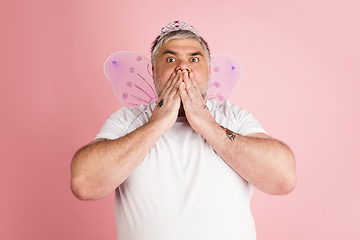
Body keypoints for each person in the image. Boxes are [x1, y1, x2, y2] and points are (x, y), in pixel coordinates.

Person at [71, 21, 296, 240]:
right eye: (171, 59)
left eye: (194, 59)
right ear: (153, 71)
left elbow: (283, 179)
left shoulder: (234, 117)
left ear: (208, 71)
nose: (183, 67)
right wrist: (156, 124)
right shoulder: (128, 120)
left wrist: (207, 125)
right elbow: (84, 184)